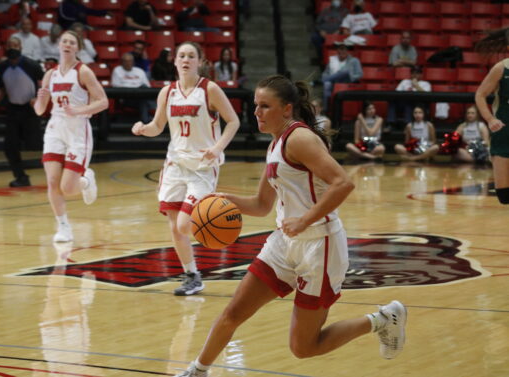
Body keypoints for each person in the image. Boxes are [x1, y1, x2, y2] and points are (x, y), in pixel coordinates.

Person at [173, 74, 406, 377]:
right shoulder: (275, 144)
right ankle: (198, 371)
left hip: (319, 246)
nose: (256, 112)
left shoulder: (300, 138)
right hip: (284, 244)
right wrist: (223, 199)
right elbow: (261, 205)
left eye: (264, 106)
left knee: (303, 348)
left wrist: (305, 219)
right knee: (233, 312)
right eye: (255, 106)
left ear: (287, 109)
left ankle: (383, 318)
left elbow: (343, 183)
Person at [131, 42, 240, 296]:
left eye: (191, 56)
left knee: (183, 224)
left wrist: (218, 148)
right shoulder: (167, 92)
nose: (186, 59)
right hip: (175, 165)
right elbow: (157, 126)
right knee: (174, 226)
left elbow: (233, 121)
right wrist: (143, 129)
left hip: (202, 167)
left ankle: (214, 219)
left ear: (200, 61)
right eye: (182, 55)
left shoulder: (209, 89)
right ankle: (192, 275)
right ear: (175, 61)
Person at [33, 31, 107, 242]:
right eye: (64, 41)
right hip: (55, 129)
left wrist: (79, 110)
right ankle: (63, 227)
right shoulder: (50, 74)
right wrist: (41, 99)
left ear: (77, 48)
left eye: (72, 42)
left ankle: (86, 181)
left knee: (68, 187)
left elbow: (103, 102)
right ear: (59, 45)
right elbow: (39, 111)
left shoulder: (83, 72)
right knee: (52, 182)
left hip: (77, 129)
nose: (67, 44)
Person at [0, 36, 44, 187]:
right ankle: (21, 177)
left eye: (15, 45)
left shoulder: (32, 65)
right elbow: (1, 88)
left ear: (20, 47)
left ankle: (62, 172)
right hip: (13, 110)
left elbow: (44, 85)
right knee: (10, 147)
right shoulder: (2, 67)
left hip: (30, 110)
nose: (12, 48)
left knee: (37, 144)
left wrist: (37, 99)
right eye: (9, 45)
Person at [475, 28, 509, 204]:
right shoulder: (501, 68)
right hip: (504, 130)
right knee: (504, 196)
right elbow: (480, 95)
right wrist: (490, 119)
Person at [112, 52, 154, 122]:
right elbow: (115, 86)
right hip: (126, 97)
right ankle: (148, 119)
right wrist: (135, 87)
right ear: (122, 62)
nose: (128, 63)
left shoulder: (139, 71)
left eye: (130, 61)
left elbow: (147, 86)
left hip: (140, 96)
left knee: (143, 97)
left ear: (133, 62)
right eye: (126, 61)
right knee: (144, 100)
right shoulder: (117, 70)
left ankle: (146, 120)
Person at [321, 43, 362, 112]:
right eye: (340, 49)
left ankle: (322, 80)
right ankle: (326, 110)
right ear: (337, 51)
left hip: (348, 82)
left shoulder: (354, 60)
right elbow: (325, 73)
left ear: (347, 51)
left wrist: (352, 77)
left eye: (344, 49)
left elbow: (359, 74)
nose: (342, 51)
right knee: (327, 84)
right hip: (334, 83)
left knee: (346, 72)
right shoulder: (333, 60)